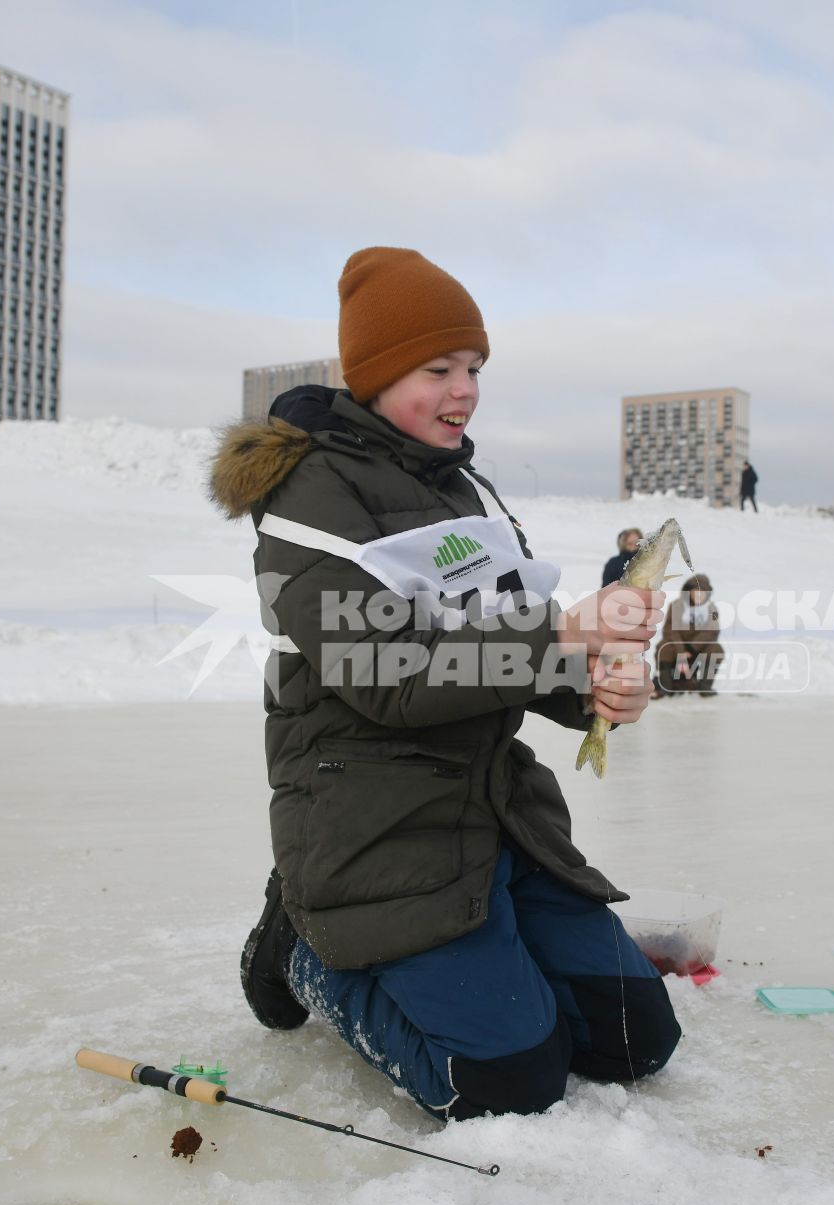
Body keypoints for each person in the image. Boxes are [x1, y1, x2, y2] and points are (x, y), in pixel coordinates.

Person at [210, 247, 681, 1121]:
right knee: (504, 1084)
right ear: (379, 373)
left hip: (490, 812)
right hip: (373, 819)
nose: (464, 389)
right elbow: (384, 670)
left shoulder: (459, 487)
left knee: (634, 1039)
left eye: (474, 368)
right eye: (438, 369)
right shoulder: (311, 495)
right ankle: (301, 951)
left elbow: (501, 641)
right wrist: (562, 632)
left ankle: (495, 967)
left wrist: (595, 690)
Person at [657, 573, 724, 696]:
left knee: (716, 649)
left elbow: (712, 631)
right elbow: (670, 630)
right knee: (664, 647)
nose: (699, 594)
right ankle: (664, 686)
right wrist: (681, 651)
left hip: (698, 647)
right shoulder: (677, 605)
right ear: (689, 591)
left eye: (703, 591)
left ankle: (705, 687)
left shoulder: (712, 609)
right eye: (696, 591)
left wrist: (691, 648)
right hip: (678, 646)